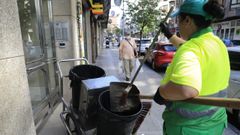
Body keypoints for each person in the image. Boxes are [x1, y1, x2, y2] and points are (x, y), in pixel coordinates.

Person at [154, 0, 230, 134]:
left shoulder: (191, 49)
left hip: (188, 128)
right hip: (215, 124)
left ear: (187, 20)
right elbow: (190, 48)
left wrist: (162, 92)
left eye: (179, 20)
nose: (178, 25)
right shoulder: (218, 43)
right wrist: (168, 34)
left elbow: (186, 89)